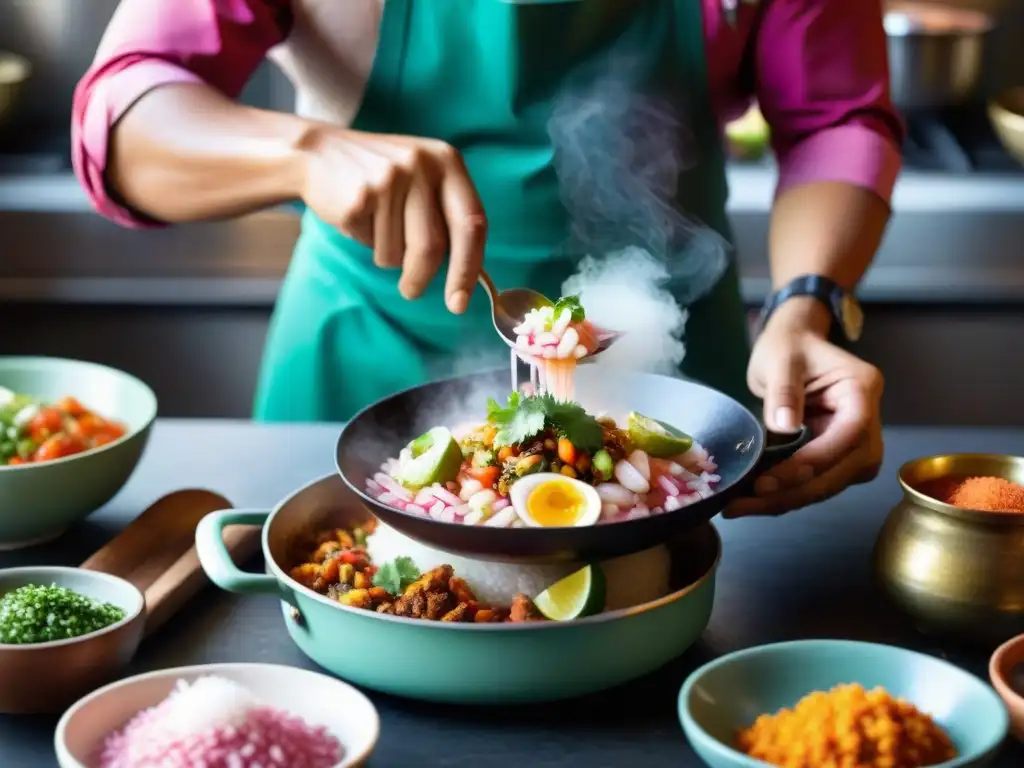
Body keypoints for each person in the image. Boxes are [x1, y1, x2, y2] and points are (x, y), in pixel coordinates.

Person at [72, 0, 902, 517]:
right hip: (364, 355)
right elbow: (124, 118)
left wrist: (808, 302)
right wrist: (303, 152)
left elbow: (836, 116)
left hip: (675, 389)